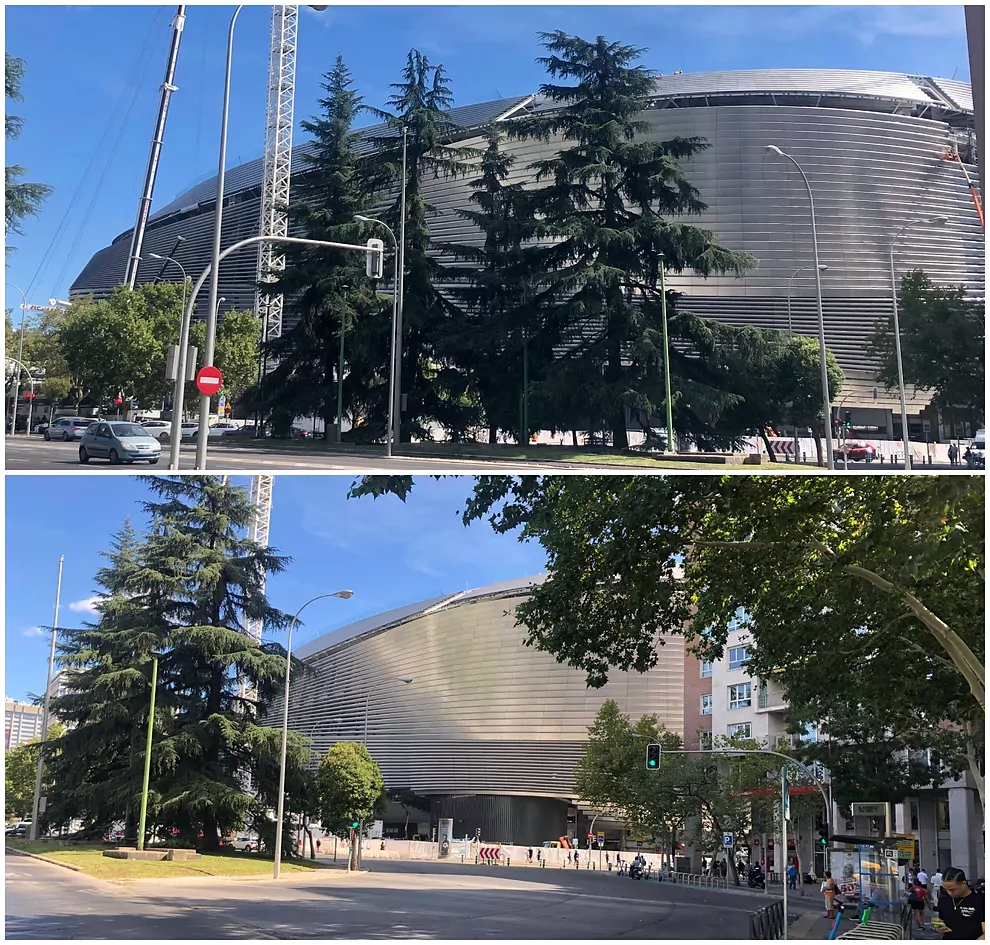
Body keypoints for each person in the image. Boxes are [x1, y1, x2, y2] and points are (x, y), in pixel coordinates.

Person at [934, 867, 985, 940]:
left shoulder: (980, 900)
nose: (949, 893)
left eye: (953, 889)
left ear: (963, 883)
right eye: (946, 889)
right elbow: (941, 919)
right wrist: (939, 927)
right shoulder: (943, 899)